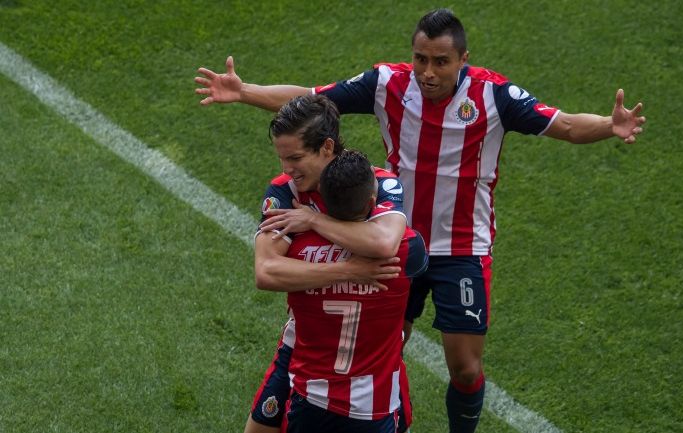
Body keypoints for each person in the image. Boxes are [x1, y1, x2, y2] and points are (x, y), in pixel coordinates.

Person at [196, 9, 646, 433]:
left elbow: (564, 125)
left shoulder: (494, 96)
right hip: (394, 236)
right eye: (421, 59)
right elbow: (313, 100)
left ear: (463, 60)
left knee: (466, 368)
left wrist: (610, 125)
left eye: (440, 62)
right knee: (381, 346)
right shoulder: (387, 84)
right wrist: (244, 92)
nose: (428, 72)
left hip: (461, 248)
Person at [246, 94, 417, 433]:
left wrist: (313, 221)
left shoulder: (377, 184)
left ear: (326, 147)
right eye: (281, 158)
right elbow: (266, 271)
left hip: (367, 365)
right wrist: (348, 270)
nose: (286, 169)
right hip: (302, 347)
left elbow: (384, 243)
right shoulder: (285, 191)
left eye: (295, 157)